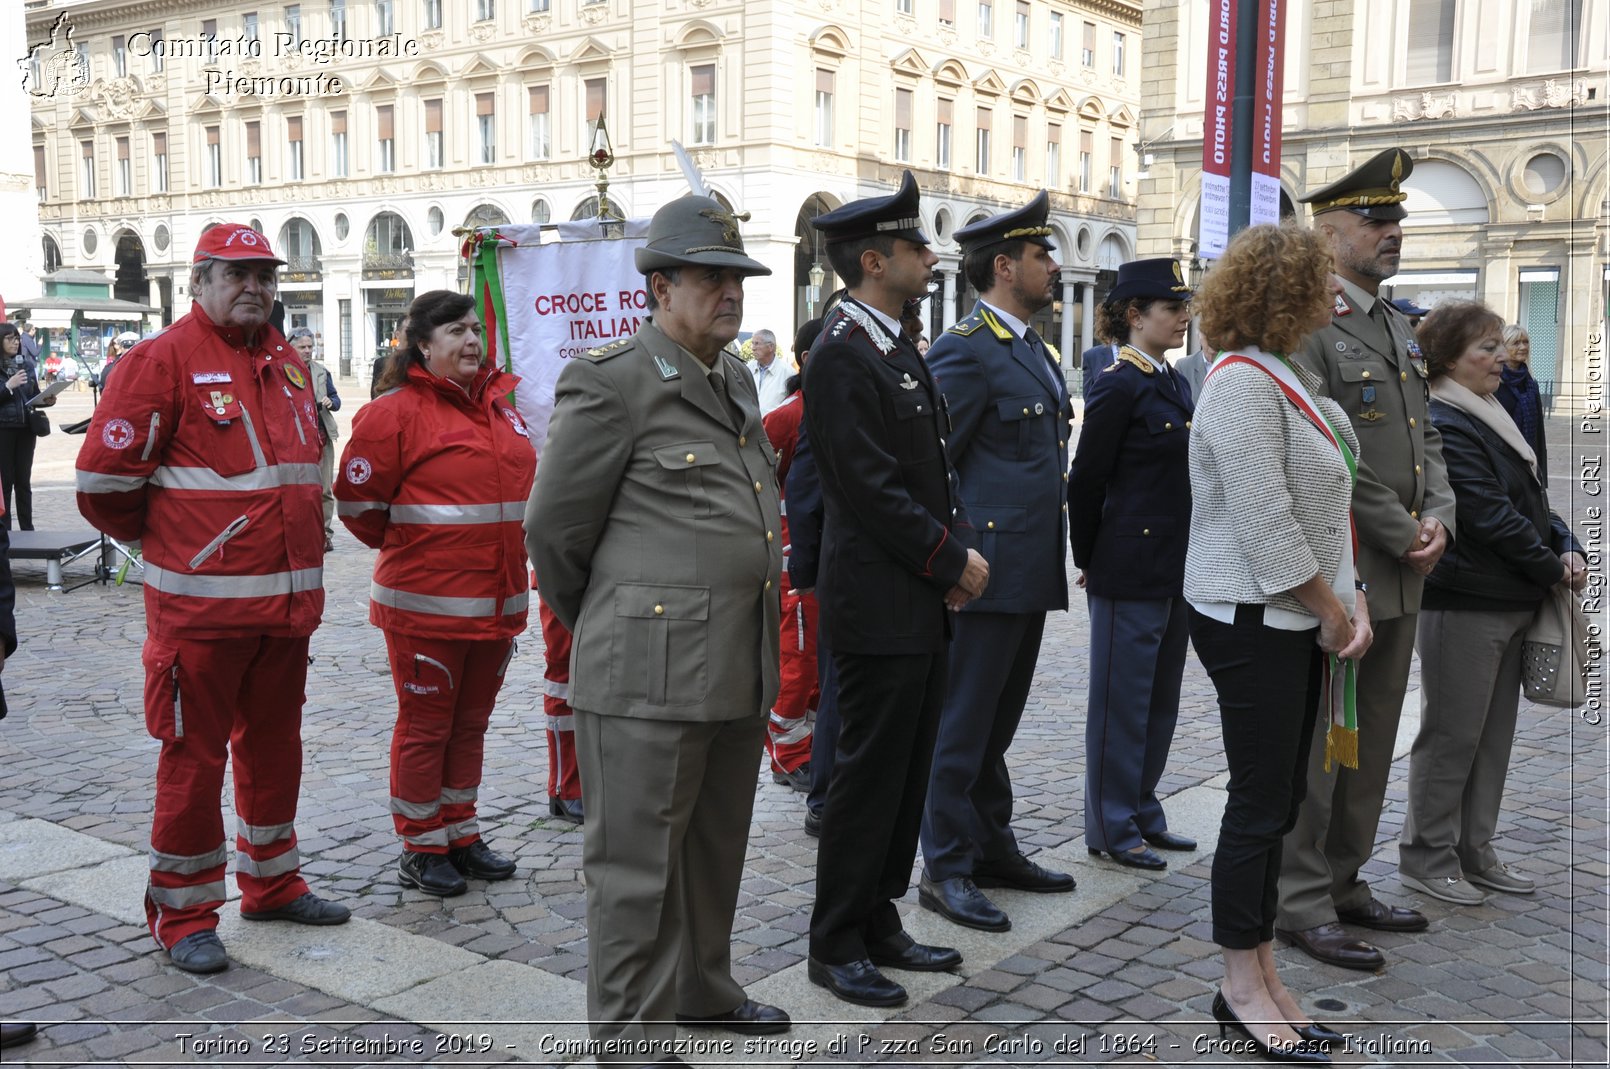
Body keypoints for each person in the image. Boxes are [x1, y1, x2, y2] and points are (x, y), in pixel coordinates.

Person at [525, 197, 790, 1065]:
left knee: (714, 850)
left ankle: (702, 989)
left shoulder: (735, 377)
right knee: (636, 870)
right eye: (711, 277)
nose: (730, 293)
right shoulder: (611, 379)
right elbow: (555, 535)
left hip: (734, 660)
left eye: (736, 277)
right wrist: (615, 622)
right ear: (660, 284)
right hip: (645, 668)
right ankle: (632, 1040)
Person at [75, 223, 348, 975]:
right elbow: (102, 486)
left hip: (285, 613)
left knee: (274, 749)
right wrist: (179, 543)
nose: (255, 287)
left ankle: (272, 881)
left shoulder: (286, 361)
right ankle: (185, 912)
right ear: (200, 282)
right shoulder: (159, 360)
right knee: (192, 761)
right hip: (200, 615)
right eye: (237, 274)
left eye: (265, 275)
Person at [802, 170, 989, 1008]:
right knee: (867, 776)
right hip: (878, 600)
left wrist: (942, 564)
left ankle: (878, 916)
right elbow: (869, 487)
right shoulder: (843, 351)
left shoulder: (893, 340)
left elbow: (928, 472)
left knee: (907, 769)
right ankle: (835, 938)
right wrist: (950, 560)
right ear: (875, 260)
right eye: (916, 245)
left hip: (911, 596)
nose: (929, 255)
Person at [1187, 222, 1369, 1065]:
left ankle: (1262, 967)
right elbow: (1266, 523)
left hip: (1293, 614)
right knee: (1259, 808)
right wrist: (1333, 609)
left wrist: (1351, 596)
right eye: (1321, 281)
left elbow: (1327, 509)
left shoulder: (1286, 375)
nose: (1336, 295)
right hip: (1254, 616)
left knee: (1278, 802)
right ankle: (1239, 982)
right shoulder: (1240, 383)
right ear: (1283, 292)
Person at [1277, 148, 1457, 973]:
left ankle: (1346, 880)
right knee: (1325, 742)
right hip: (1344, 568)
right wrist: (1400, 529)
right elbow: (1325, 457)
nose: (1393, 231)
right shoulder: (1310, 326)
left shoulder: (1393, 324)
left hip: (1400, 568)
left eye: (1397, 219)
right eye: (1376, 219)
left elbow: (1427, 445)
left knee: (1373, 737)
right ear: (1328, 229)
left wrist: (1441, 517)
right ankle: (1301, 899)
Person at [336, 291, 535, 898]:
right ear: (423, 344)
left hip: (496, 603)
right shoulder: (395, 412)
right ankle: (421, 844)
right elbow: (358, 506)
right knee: (426, 727)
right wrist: (423, 553)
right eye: (456, 331)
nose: (472, 340)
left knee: (470, 725)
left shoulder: (501, 407)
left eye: (476, 329)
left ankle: (459, 830)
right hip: (426, 607)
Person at [917, 192, 1075, 934]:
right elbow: (932, 467)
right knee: (963, 723)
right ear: (1005, 266)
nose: (1055, 265)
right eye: (1043, 255)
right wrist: (953, 561)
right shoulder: (967, 348)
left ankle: (990, 845)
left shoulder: (1029, 348)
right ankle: (945, 866)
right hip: (983, 573)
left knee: (996, 726)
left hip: (1026, 570)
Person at [1397, 301, 1585, 906]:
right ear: (1449, 358)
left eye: (1500, 345)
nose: (1501, 359)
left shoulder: (1489, 411)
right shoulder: (1448, 419)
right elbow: (1485, 514)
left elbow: (1530, 500)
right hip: (1466, 598)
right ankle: (1426, 855)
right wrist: (1549, 564)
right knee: (1452, 736)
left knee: (1491, 737)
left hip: (1507, 596)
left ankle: (1474, 849)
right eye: (1486, 348)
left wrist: (1566, 541)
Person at [1068, 258, 1197, 872]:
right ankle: (1112, 824)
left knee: (1159, 699)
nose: (1183, 318)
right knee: (1122, 701)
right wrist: (1090, 557)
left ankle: (1143, 807)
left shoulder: (1172, 381)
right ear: (1135, 315)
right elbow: (1086, 479)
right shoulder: (1119, 383)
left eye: (1182, 308)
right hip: (1128, 562)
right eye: (1171, 309)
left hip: (1174, 563)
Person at [761, 318, 823, 793]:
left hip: (830, 559)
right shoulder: (788, 415)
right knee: (797, 662)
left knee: (820, 664)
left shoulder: (841, 408)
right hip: (793, 560)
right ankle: (786, 753)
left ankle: (815, 746)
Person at [290, 329, 342, 552]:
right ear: (290, 346)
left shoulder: (321, 371)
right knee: (298, 489)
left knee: (324, 489)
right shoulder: (282, 371)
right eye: (302, 347)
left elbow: (336, 399)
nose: (308, 351)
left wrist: (331, 402)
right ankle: (300, 535)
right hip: (295, 438)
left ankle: (325, 534)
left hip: (321, 436)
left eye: (310, 346)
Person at [0, 323, 47, 530]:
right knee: (6, 481)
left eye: (17, 338)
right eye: (9, 338)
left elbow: (33, 394)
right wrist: (8, 386)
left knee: (23, 480)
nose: (15, 342)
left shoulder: (26, 366)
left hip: (27, 429)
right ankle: (6, 530)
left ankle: (27, 528)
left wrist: (47, 399)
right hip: (4, 428)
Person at [1495, 324, 1548, 484]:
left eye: (1526, 342)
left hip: (1528, 459)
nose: (1523, 347)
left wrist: (1541, 473)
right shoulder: (1495, 383)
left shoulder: (1530, 384)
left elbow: (1539, 432)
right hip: (1503, 462)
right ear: (1503, 347)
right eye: (1516, 343)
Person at [748, 328, 789, 415]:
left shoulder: (788, 373)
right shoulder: (748, 368)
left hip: (775, 426)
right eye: (752, 343)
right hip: (750, 425)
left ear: (770, 347)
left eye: (757, 343)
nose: (753, 348)